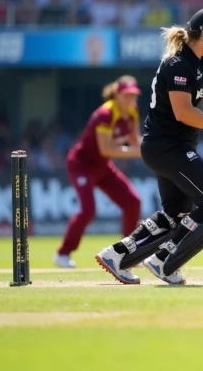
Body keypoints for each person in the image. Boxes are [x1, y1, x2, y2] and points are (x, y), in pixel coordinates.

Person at [95, 7, 203, 285]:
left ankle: (117, 254)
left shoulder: (201, 62)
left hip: (170, 147)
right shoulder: (178, 65)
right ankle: (165, 259)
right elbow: (183, 112)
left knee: (176, 215)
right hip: (167, 147)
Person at [54, 76, 143, 268]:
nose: (130, 100)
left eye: (133, 96)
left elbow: (136, 142)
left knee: (132, 202)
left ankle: (126, 252)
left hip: (102, 166)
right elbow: (107, 150)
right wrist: (137, 152)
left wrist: (151, 149)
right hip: (81, 165)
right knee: (88, 211)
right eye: (126, 96)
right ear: (117, 94)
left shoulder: (133, 111)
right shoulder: (105, 114)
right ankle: (62, 254)